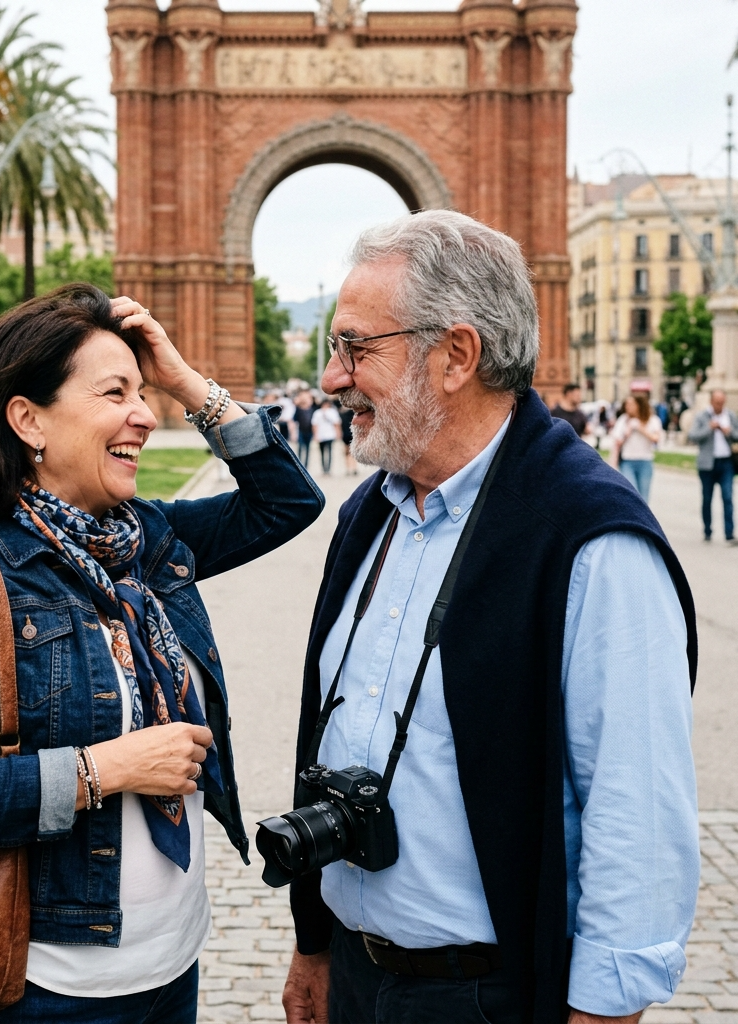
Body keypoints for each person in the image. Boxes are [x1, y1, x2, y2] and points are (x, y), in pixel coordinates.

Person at [282, 211, 698, 1024]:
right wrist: (315, 945)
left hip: (487, 997)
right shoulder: (370, 512)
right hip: (358, 977)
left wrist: (606, 1009)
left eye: (355, 348)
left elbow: (636, 809)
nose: (332, 378)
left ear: (456, 355)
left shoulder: (589, 539)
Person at [0, 284, 324, 1023]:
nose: (143, 414)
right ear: (29, 419)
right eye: (116, 393)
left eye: (143, 393)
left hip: (172, 967)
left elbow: (288, 501)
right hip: (44, 990)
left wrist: (186, 382)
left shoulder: (145, 539)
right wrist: (105, 769)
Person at [688, 389, 738, 543]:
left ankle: (729, 533)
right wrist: (709, 428)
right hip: (707, 464)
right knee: (707, 498)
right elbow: (692, 435)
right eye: (717, 403)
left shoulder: (730, 416)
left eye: (722, 403)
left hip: (726, 462)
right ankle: (707, 530)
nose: (719, 406)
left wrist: (729, 432)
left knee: (728, 497)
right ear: (711, 402)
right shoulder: (702, 416)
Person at [610, 392, 663, 502]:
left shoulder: (653, 420)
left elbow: (656, 438)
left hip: (645, 461)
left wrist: (640, 427)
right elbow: (617, 442)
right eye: (626, 404)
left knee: (643, 498)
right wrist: (627, 431)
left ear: (639, 405)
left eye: (631, 404)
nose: (627, 407)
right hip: (627, 462)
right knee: (631, 494)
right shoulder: (623, 420)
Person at [311, 398, 342, 475]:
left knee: (329, 451)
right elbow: (314, 425)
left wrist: (338, 433)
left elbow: (337, 423)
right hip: (321, 435)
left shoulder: (332, 412)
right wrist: (316, 435)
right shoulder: (317, 413)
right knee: (322, 452)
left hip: (330, 435)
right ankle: (324, 469)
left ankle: (328, 469)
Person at [293, 389, 316, 469]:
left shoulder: (312, 408)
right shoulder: (298, 408)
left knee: (308, 449)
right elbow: (294, 420)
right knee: (300, 448)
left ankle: (306, 465)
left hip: (309, 431)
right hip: (301, 430)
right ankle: (299, 464)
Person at [339, 404, 357, 476]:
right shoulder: (342, 413)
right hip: (346, 435)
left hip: (351, 435)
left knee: (352, 453)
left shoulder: (350, 413)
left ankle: (353, 468)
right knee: (347, 453)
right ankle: (349, 468)